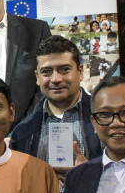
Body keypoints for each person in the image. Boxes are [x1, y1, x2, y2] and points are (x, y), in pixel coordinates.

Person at [10, 35, 101, 177]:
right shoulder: (22, 133)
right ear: (37, 77)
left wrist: (91, 176)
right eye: (46, 72)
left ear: (80, 72)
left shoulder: (108, 118)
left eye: (64, 69)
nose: (56, 79)